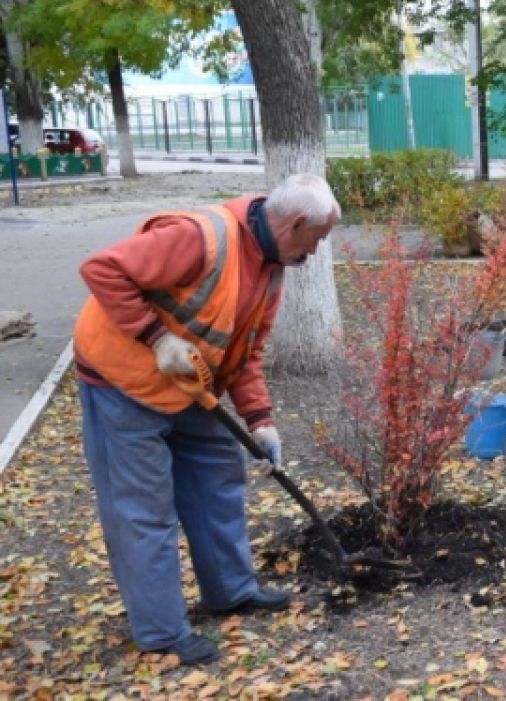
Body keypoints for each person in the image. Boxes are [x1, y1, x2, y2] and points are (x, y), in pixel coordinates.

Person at [73, 173, 341, 665]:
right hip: (122, 384)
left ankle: (231, 591)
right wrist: (156, 338)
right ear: (296, 222)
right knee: (144, 509)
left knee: (219, 478)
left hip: (191, 386)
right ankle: (161, 632)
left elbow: (247, 352)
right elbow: (102, 268)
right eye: (317, 239)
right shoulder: (197, 237)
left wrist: (261, 420)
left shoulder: (271, 263)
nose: (317, 252)